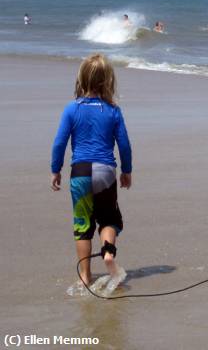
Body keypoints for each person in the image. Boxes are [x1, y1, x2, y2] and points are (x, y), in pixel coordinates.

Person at [50, 54, 132, 294]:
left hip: (81, 171)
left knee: (82, 224)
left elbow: (59, 143)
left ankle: (85, 276)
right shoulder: (113, 111)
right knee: (109, 219)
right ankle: (108, 253)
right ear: (108, 81)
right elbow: (124, 144)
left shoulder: (72, 108)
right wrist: (126, 170)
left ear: (82, 79)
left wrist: (56, 169)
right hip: (106, 171)